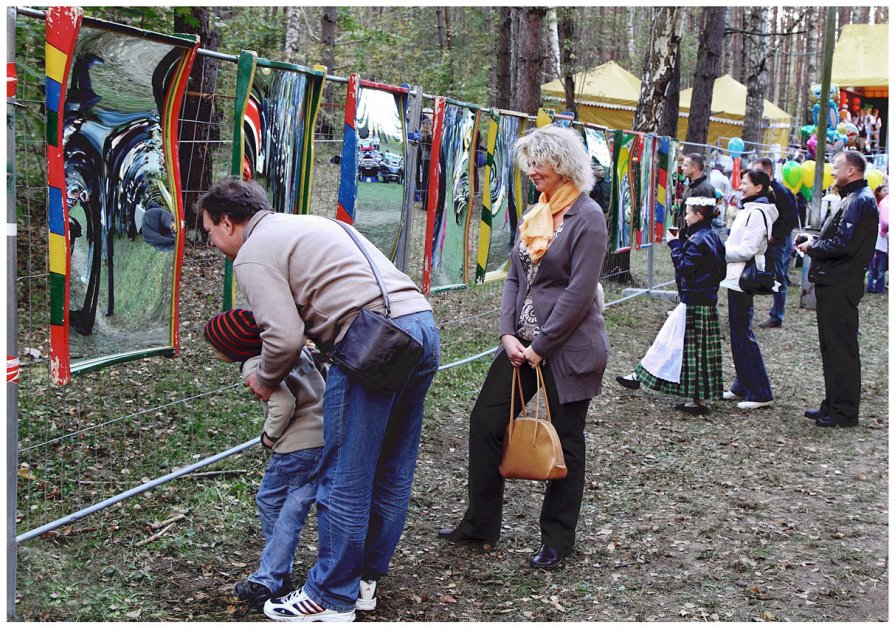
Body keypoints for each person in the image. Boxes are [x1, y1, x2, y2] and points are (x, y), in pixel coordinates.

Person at [197, 177, 440, 621]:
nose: (211, 242)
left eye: (210, 230)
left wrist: (267, 379)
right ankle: (363, 581)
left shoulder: (253, 253)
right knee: (391, 468)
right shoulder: (305, 224)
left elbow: (283, 337)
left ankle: (329, 596)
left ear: (228, 222)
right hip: (420, 326)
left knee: (344, 475)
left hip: (372, 342)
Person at [437, 125, 608, 570]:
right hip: (521, 345)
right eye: (529, 162)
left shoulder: (587, 217)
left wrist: (542, 346)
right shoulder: (538, 213)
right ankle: (480, 524)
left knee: (566, 441)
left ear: (564, 164)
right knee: (486, 422)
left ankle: (556, 539)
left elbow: (578, 292)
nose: (532, 170)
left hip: (567, 350)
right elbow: (514, 276)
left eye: (540, 162)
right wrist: (508, 335)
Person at [203, 308, 325, 613]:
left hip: (296, 447)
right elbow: (322, 378)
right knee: (294, 506)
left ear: (233, 349)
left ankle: (272, 576)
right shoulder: (293, 351)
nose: (213, 351)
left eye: (215, 346)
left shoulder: (255, 365)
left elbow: (283, 401)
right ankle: (274, 573)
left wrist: (269, 437)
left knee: (271, 501)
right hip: (326, 438)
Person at [616, 196, 726, 415]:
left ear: (698, 215)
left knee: (673, 343)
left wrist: (675, 245)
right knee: (697, 351)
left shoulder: (698, 240)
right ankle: (695, 397)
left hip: (693, 301)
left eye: (687, 213)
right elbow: (721, 272)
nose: (684, 217)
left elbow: (685, 268)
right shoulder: (714, 237)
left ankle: (641, 377)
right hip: (706, 301)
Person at [796, 150, 879, 428]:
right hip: (834, 281)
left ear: (852, 171)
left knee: (841, 348)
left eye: (836, 167)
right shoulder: (854, 199)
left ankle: (843, 412)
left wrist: (812, 247)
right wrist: (815, 239)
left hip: (840, 283)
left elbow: (844, 245)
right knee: (831, 347)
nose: (832, 172)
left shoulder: (859, 201)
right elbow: (840, 238)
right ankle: (832, 404)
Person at [720, 169, 778, 411]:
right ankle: (742, 384)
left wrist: (719, 252)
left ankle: (760, 391)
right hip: (736, 278)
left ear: (759, 188)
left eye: (745, 183)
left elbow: (747, 249)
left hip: (744, 278)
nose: (741, 186)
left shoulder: (756, 213)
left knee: (743, 334)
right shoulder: (750, 210)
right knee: (738, 332)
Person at [755, 157, 799, 329]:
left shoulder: (780, 192)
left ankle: (777, 315)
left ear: (768, 171)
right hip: (763, 240)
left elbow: (790, 218)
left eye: (758, 171)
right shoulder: (763, 190)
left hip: (777, 242)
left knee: (778, 276)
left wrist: (776, 236)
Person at [678, 152, 716, 229]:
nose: (682, 168)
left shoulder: (705, 189)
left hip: (695, 237)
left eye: (685, 165)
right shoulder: (691, 185)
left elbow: (704, 218)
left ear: (695, 168)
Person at [866, 184, 888, 294]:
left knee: (879, 268)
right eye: (884, 190)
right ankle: (872, 286)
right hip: (875, 242)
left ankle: (878, 287)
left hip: (881, 243)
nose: (887, 192)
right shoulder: (878, 205)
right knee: (874, 268)